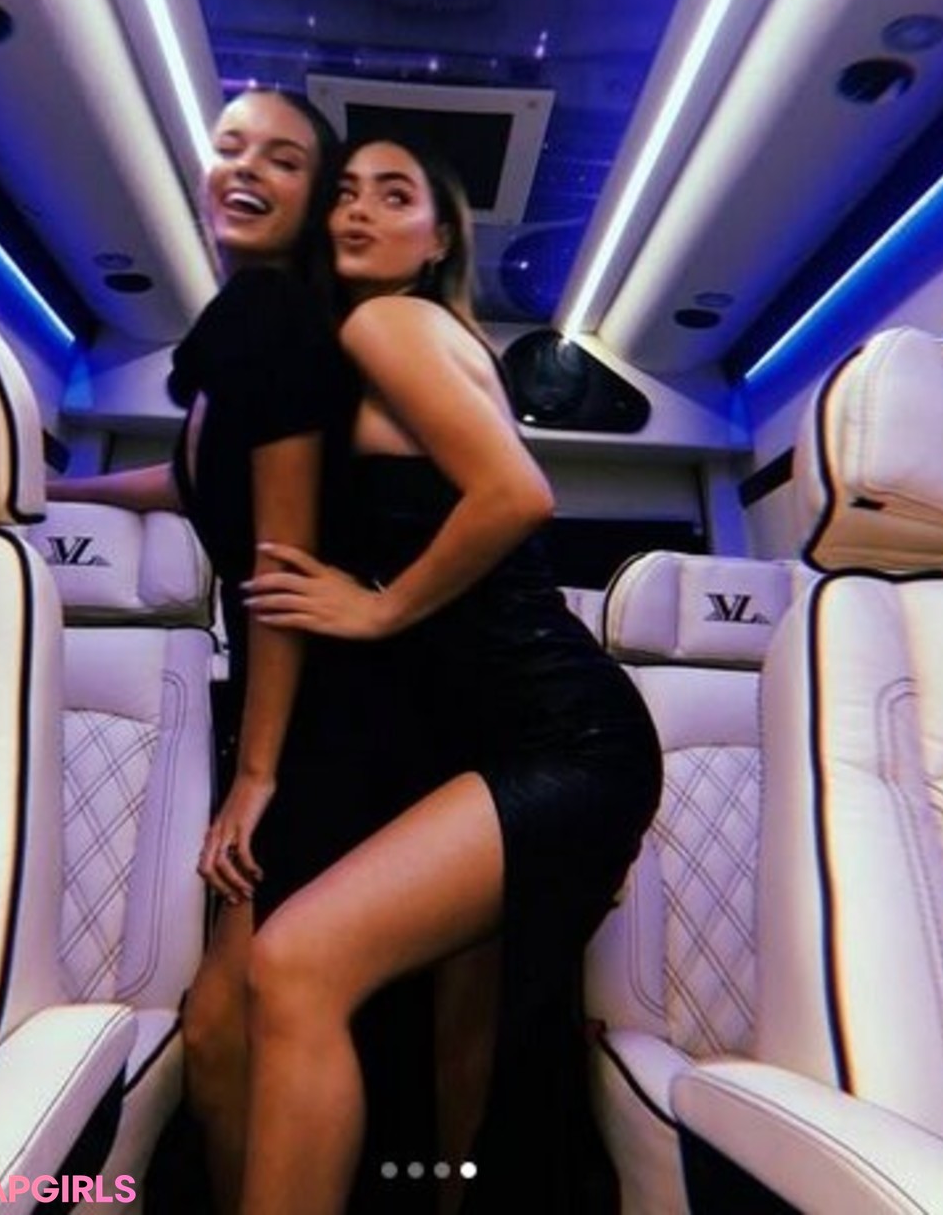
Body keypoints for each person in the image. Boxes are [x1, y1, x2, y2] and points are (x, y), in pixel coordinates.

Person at [240, 138, 664, 1215]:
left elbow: (517, 495)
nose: (358, 210)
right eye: (344, 192)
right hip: (510, 739)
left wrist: (378, 605)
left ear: (438, 241)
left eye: (396, 197)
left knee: (293, 964)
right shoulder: (409, 345)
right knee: (460, 1027)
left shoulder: (386, 324)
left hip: (562, 736)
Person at [47, 89, 425, 1215]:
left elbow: (279, 569)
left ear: (313, 203)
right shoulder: (247, 334)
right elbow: (193, 480)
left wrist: (258, 775)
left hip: (336, 720)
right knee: (229, 1026)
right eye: (231, 146)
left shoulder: (276, 319)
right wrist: (54, 491)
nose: (248, 167)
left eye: (286, 159)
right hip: (304, 711)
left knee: (228, 1025)